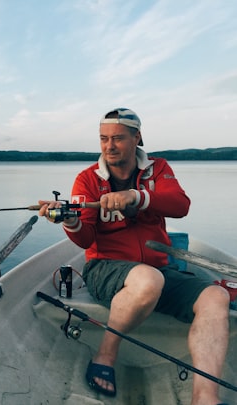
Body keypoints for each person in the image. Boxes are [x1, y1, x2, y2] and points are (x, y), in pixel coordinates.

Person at [38, 108, 231, 405]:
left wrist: (138, 197)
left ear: (136, 137)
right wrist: (70, 221)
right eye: (103, 139)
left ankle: (205, 397)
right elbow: (85, 239)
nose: (109, 146)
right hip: (105, 268)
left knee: (216, 296)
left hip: (158, 267)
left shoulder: (159, 169)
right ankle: (107, 353)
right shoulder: (87, 179)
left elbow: (180, 205)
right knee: (148, 280)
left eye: (117, 138)